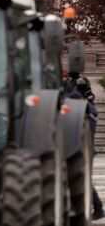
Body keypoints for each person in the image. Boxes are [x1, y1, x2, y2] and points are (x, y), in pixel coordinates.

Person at [64, 72, 104, 220]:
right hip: (74, 146)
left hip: (83, 148)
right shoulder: (68, 83)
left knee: (81, 179)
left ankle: (97, 208)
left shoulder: (88, 111)